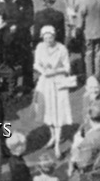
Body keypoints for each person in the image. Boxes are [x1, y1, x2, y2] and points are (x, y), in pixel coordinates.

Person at [33, 26, 72, 158]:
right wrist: (43, 71)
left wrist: (55, 71)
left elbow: (67, 67)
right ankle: (53, 136)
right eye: (45, 38)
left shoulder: (62, 49)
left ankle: (57, 147)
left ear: (55, 37)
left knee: (58, 113)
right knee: (47, 111)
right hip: (45, 83)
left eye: (51, 37)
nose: (48, 40)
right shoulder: (39, 47)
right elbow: (36, 64)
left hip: (58, 83)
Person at [71, 107, 100, 181]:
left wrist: (76, 143)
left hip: (93, 174)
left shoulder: (90, 138)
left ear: (90, 118)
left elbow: (83, 162)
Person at [76, 0, 100, 80]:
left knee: (88, 54)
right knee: (98, 54)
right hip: (99, 29)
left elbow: (80, 17)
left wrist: (78, 29)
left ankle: (90, 76)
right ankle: (98, 75)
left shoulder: (83, 0)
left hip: (88, 32)